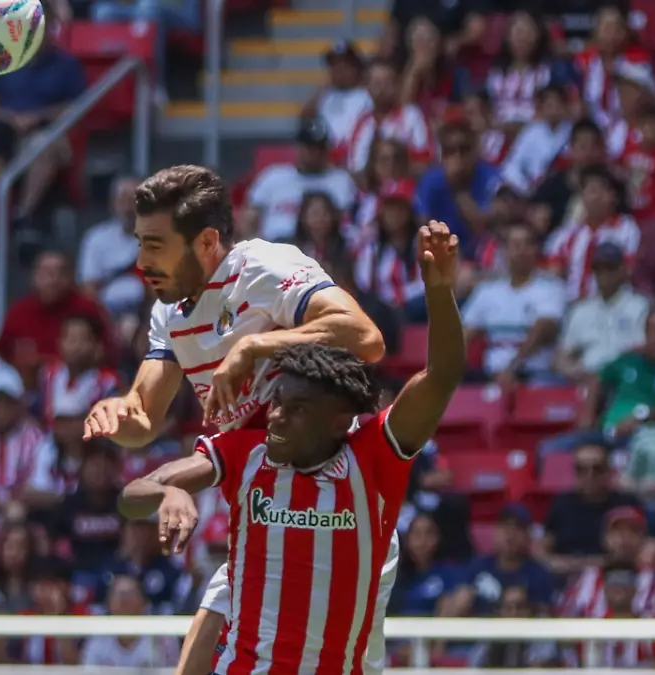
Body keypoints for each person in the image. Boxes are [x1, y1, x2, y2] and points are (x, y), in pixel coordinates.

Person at [120, 223, 464, 673]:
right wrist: (168, 491)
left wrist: (438, 291)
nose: (276, 417)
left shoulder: (373, 458)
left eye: (296, 409)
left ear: (340, 420)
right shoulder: (246, 452)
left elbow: (441, 377)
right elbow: (131, 496)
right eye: (277, 402)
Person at [83, 164, 384, 440]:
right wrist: (116, 416)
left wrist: (254, 346)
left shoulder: (263, 266)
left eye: (157, 247)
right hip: (254, 466)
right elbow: (144, 420)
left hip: (324, 456)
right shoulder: (167, 311)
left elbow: (366, 338)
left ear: (206, 242)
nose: (142, 262)